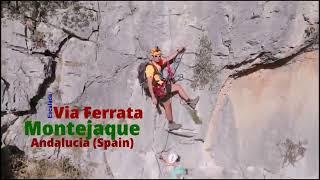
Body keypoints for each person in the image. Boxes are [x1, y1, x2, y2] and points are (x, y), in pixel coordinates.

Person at [145, 46, 199, 131]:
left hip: (160, 89)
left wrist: (178, 51)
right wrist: (153, 97)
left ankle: (171, 124)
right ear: (152, 56)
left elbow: (169, 58)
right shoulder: (150, 68)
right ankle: (190, 102)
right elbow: (149, 82)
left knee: (167, 104)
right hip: (159, 89)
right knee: (178, 87)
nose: (158, 57)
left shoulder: (159, 62)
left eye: (159, 55)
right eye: (156, 56)